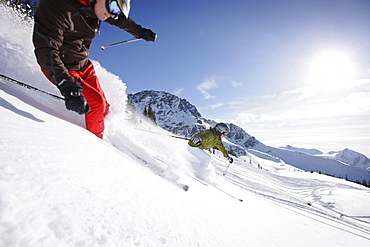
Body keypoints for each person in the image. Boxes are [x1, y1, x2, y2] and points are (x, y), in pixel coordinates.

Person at [32, 0, 156, 138]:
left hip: (84, 65)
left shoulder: (98, 9)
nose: (112, 15)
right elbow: (46, 50)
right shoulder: (58, 6)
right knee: (96, 104)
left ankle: (102, 129)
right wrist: (65, 84)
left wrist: (140, 32)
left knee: (105, 107)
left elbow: (120, 20)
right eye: (114, 8)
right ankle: (96, 143)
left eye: (117, 12)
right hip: (63, 69)